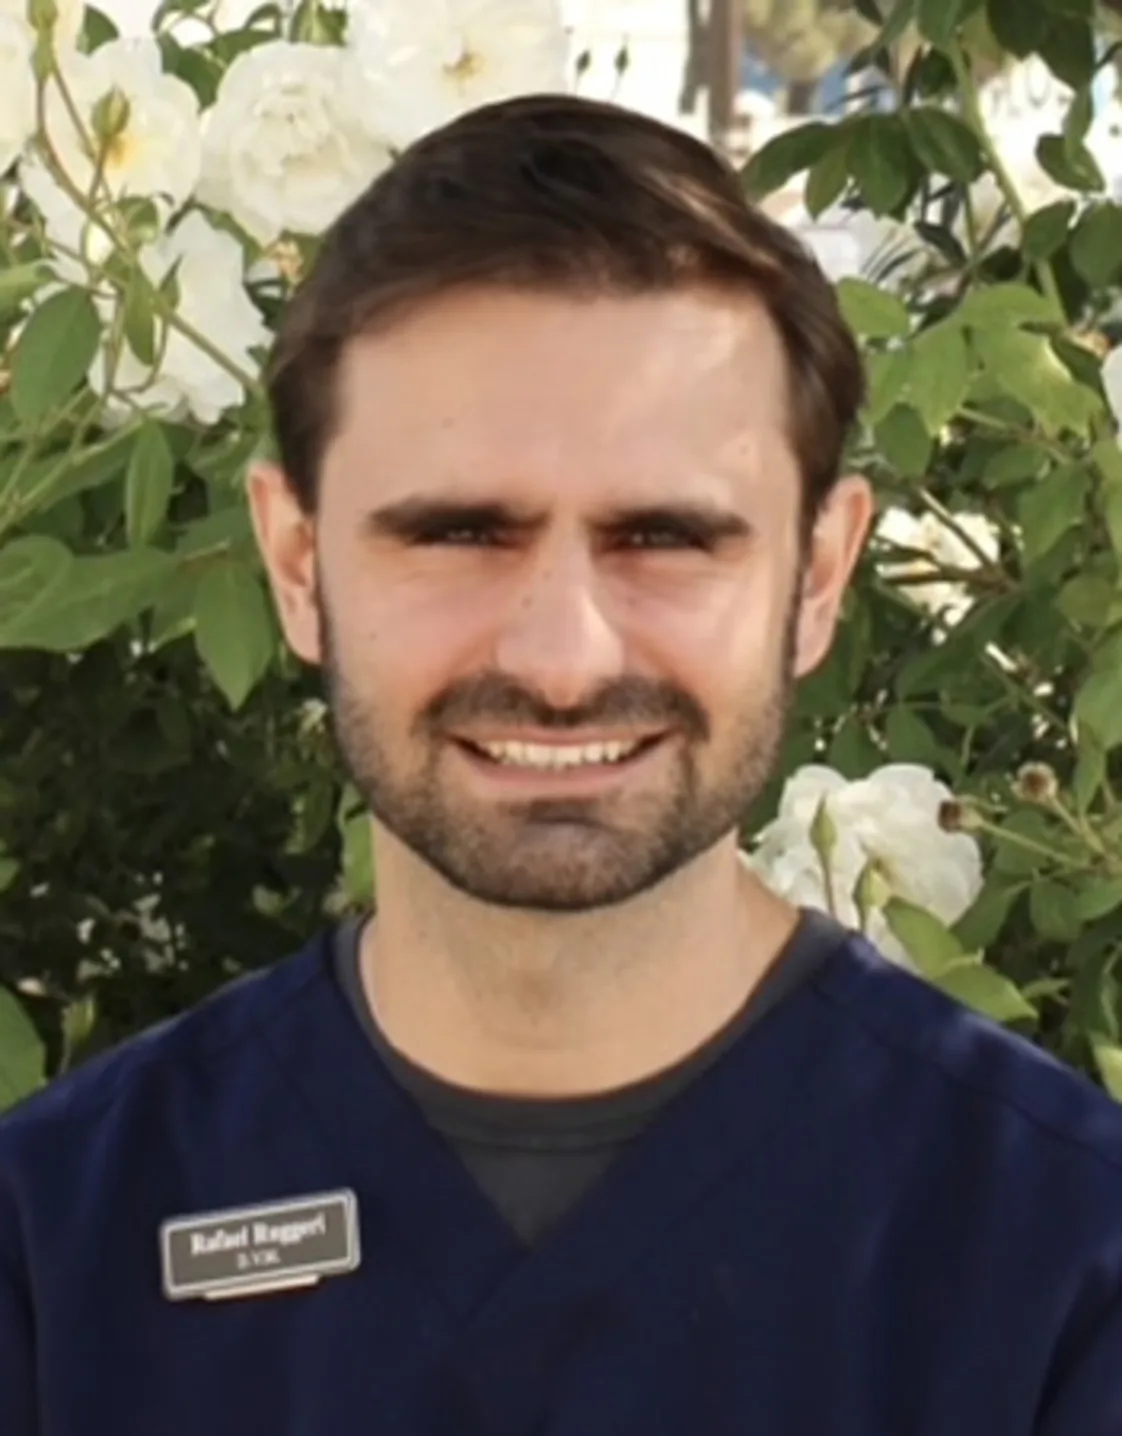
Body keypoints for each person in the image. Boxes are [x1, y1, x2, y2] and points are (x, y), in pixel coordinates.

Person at [1, 92, 1121, 1436]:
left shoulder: (1067, 1264)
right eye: (459, 534)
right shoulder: (51, 1257)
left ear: (819, 576)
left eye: (666, 538)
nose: (563, 658)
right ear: (297, 566)